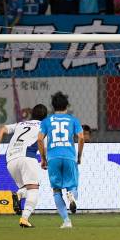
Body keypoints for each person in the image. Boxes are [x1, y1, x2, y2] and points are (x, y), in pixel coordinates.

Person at [0, 104, 48, 228]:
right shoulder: (44, 127)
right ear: (45, 117)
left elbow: (1, 128)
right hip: (27, 157)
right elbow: (42, 144)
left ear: (32, 114)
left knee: (27, 189)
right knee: (33, 190)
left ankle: (18, 194)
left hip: (10, 160)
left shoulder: (21, 124)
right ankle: (24, 218)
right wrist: (45, 160)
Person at [37, 92, 85, 228]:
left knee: (56, 190)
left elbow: (40, 139)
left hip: (53, 157)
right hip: (69, 156)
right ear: (67, 105)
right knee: (73, 186)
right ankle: (71, 195)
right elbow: (81, 137)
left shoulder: (47, 121)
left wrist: (43, 158)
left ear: (52, 106)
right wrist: (79, 155)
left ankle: (66, 221)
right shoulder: (73, 120)